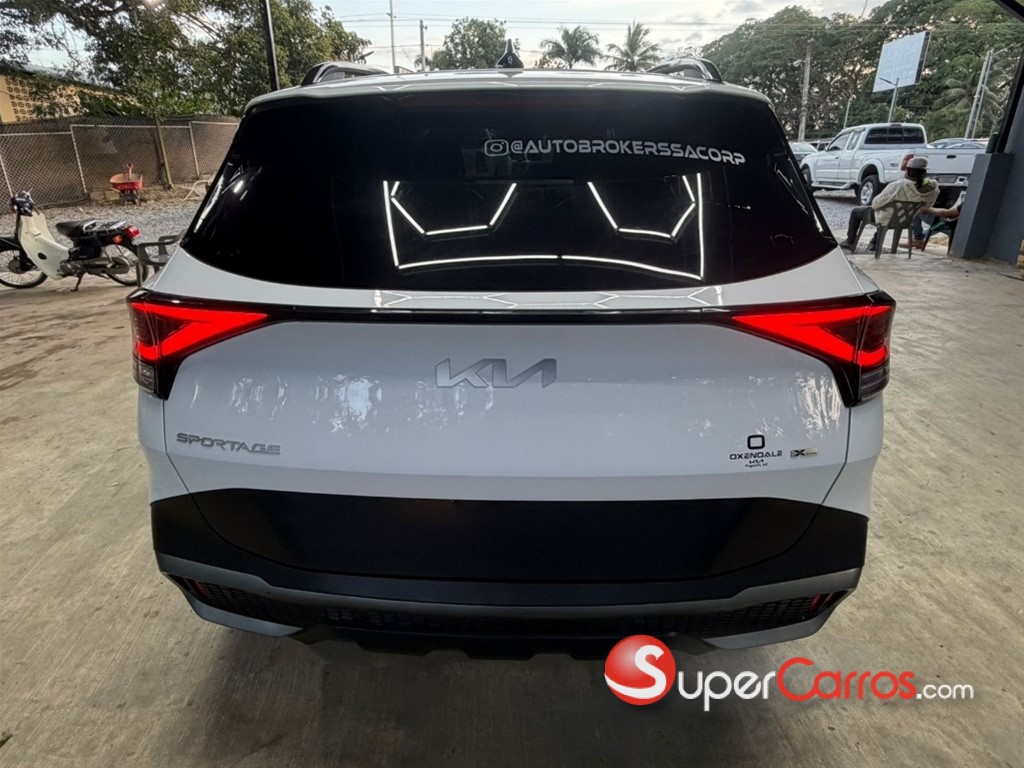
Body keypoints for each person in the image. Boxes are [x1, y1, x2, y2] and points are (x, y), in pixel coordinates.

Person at [838, 157, 939, 252]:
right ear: (925, 173)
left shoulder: (898, 185)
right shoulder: (933, 189)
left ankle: (850, 242)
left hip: (886, 217)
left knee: (858, 211)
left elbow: (875, 204)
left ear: (907, 171)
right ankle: (874, 243)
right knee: (888, 213)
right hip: (906, 220)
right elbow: (927, 206)